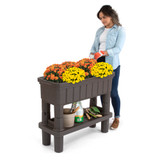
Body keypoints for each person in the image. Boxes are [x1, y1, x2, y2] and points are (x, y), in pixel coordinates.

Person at [89, 5, 126, 130]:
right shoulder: (100, 31)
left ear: (111, 15)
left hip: (112, 64)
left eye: (104, 17)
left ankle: (117, 117)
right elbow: (94, 47)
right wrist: (90, 58)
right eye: (100, 18)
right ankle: (105, 115)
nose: (103, 20)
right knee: (101, 91)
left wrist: (104, 53)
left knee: (113, 92)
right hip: (98, 63)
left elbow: (118, 49)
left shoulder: (120, 30)